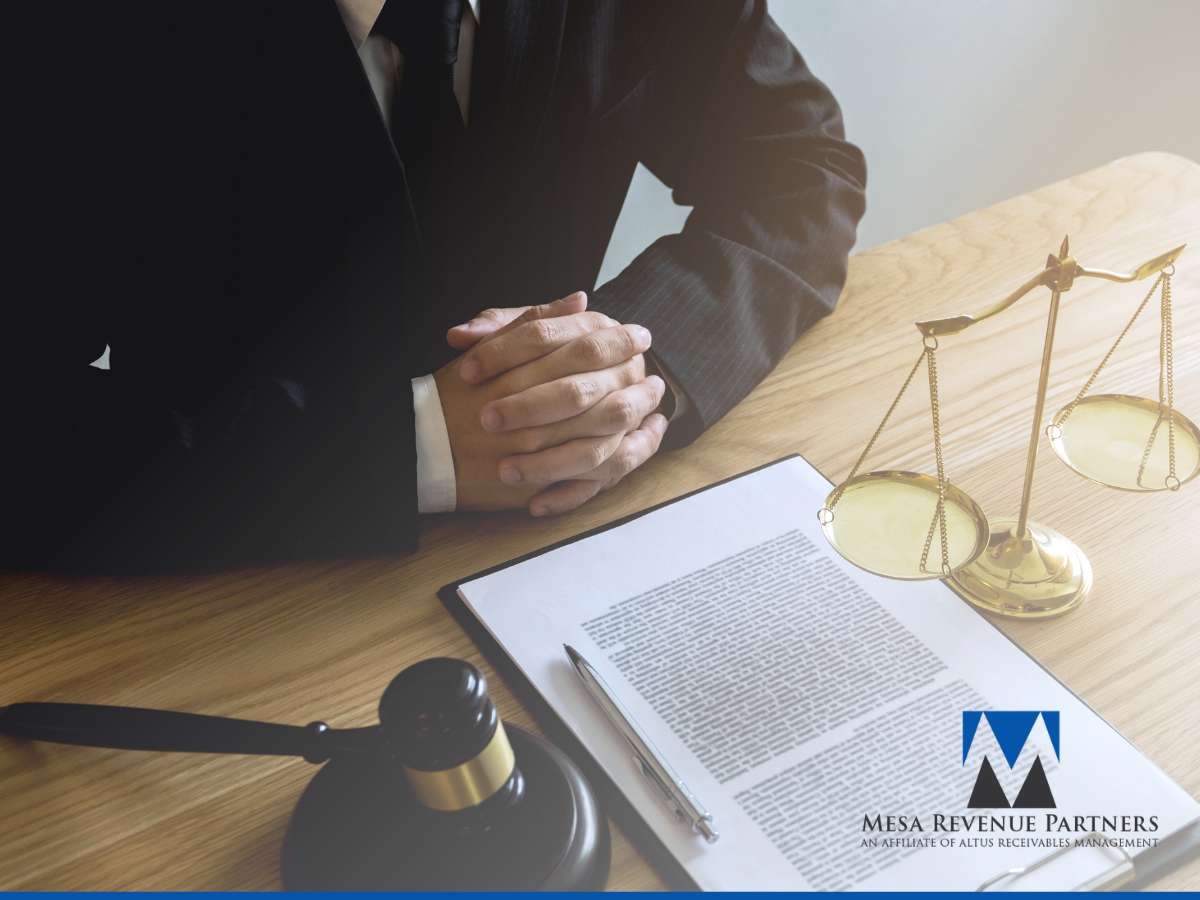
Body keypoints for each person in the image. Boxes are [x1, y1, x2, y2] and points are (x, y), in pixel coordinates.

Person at [3, 0, 866, 572]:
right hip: (232, 565)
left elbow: (799, 168)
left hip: (572, 539)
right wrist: (411, 452)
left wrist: (634, 361)